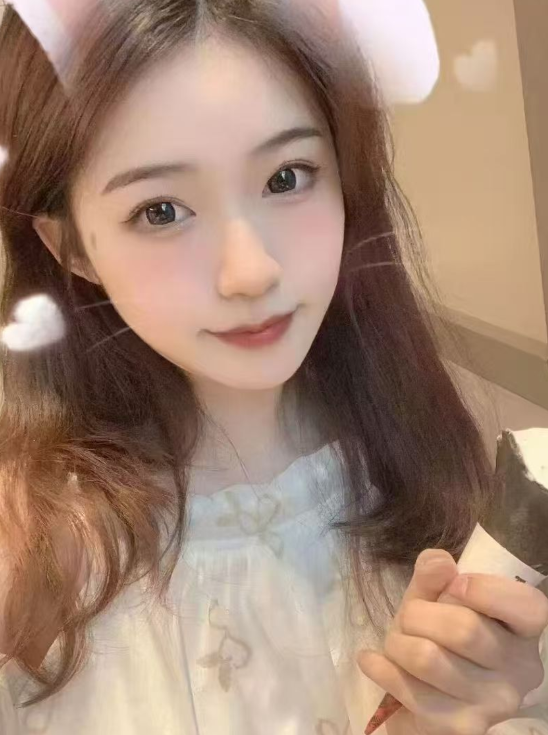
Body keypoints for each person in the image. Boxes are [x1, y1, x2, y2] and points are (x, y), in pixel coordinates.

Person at [0, 1, 546, 733]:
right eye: (161, 211)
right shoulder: (33, 551)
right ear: (70, 247)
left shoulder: (426, 445)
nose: (250, 271)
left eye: (287, 177)